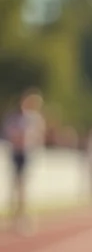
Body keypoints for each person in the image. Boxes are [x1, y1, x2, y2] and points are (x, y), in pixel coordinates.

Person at [3, 88, 46, 232]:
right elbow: (10, 134)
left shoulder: (35, 118)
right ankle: (15, 217)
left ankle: (22, 217)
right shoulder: (13, 117)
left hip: (27, 154)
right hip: (16, 153)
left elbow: (38, 135)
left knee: (23, 187)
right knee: (15, 186)